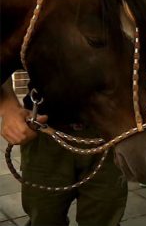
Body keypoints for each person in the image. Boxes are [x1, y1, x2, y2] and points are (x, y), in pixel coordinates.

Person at [0, 81, 128, 225]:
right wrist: (9, 108)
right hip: (45, 134)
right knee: (44, 219)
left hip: (108, 133)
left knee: (105, 219)